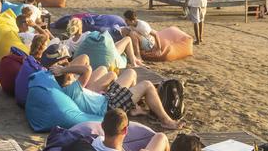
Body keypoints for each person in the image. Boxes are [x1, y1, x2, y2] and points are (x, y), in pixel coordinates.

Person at [52, 55, 184, 130]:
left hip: (106, 98)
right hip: (109, 106)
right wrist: (64, 69)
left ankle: (133, 108)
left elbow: (83, 65)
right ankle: (166, 121)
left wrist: (64, 69)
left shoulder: (68, 88)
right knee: (147, 85)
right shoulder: (71, 89)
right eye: (70, 74)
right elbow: (87, 69)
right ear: (68, 77)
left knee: (131, 73)